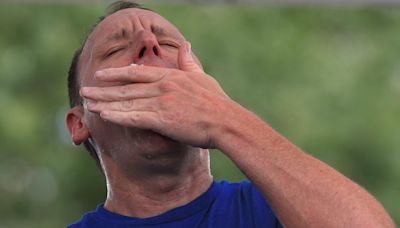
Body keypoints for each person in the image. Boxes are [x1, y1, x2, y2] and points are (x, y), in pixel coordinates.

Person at [65, 1, 395, 227]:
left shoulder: (280, 208)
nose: (148, 41)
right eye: (114, 49)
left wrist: (223, 118)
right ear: (79, 124)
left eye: (167, 44)